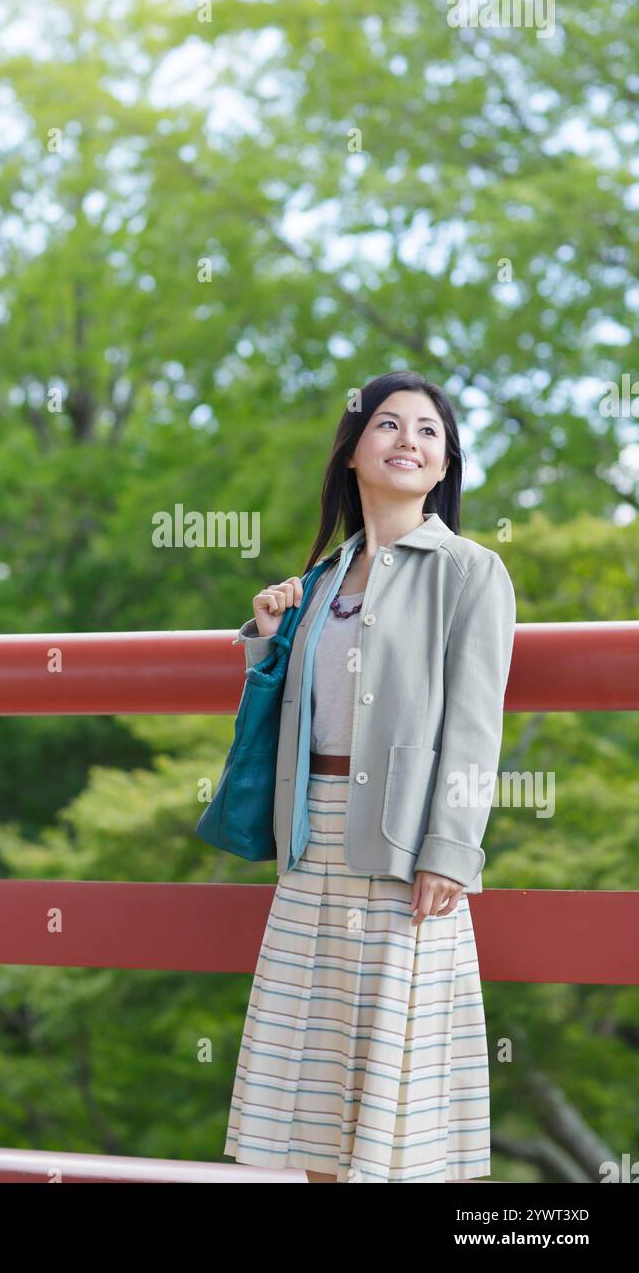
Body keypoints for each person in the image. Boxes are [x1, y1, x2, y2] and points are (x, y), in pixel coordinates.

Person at [223, 370, 517, 1183]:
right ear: (352, 452)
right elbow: (289, 711)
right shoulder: (319, 581)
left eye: (428, 432)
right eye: (389, 425)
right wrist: (269, 635)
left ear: (445, 464)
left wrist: (452, 850)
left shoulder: (470, 572)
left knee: (395, 1114)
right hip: (310, 846)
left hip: (404, 846)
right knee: (315, 1105)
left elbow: (475, 725)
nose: (408, 442)